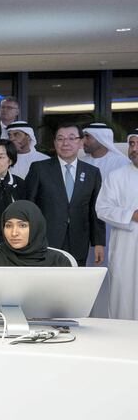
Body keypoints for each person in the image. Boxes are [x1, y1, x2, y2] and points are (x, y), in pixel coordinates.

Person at [25, 122, 105, 267]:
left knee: (74, 285)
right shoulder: (39, 169)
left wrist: (98, 242)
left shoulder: (92, 172)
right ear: (55, 143)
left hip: (78, 240)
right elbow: (28, 206)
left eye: (71, 138)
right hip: (45, 240)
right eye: (60, 138)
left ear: (80, 142)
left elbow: (95, 210)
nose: (65, 143)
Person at [95, 129, 138, 320]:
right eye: (132, 144)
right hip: (125, 247)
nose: (134, 149)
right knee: (124, 294)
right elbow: (102, 208)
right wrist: (131, 215)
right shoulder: (116, 176)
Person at [0, 200, 73, 267]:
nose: (14, 233)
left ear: (36, 227)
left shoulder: (59, 262)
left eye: (22, 226)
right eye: (9, 226)